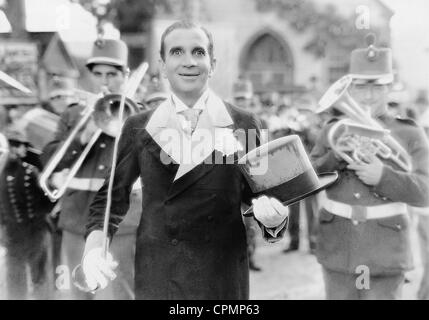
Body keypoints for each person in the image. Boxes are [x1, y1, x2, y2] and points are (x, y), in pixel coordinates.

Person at [81, 20, 289, 300]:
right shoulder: (137, 126)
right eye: (177, 52)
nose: (189, 61)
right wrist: (95, 248)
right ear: (163, 65)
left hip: (221, 275)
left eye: (198, 52)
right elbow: (109, 200)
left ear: (212, 64)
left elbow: (263, 198)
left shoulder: (247, 124)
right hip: (159, 274)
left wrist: (274, 220)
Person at [311, 36, 429, 299]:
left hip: (385, 248)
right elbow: (308, 178)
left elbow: (425, 191)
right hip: (338, 245)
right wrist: (336, 156)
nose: (368, 95)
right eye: (361, 87)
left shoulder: (409, 132)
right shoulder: (333, 130)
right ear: (351, 88)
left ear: (389, 87)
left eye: (377, 87)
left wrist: (383, 176)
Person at [41, 38, 141, 299]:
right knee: (78, 294)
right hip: (76, 220)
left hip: (120, 224)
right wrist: (82, 136)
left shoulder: (138, 115)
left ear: (125, 75)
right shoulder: (74, 114)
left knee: (118, 294)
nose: (104, 81)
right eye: (97, 74)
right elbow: (49, 158)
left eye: (111, 74)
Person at [0, 126, 53, 299]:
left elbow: (47, 200)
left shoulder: (30, 171)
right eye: (21, 145)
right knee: (15, 274)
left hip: (35, 229)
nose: (24, 149)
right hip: (12, 231)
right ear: (13, 147)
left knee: (40, 273)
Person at [232, 77, 263, 271]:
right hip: (230, 181)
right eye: (238, 99)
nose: (241, 102)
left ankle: (250, 256)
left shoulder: (257, 121)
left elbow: (263, 153)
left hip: (250, 181)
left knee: (250, 224)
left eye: (244, 99)